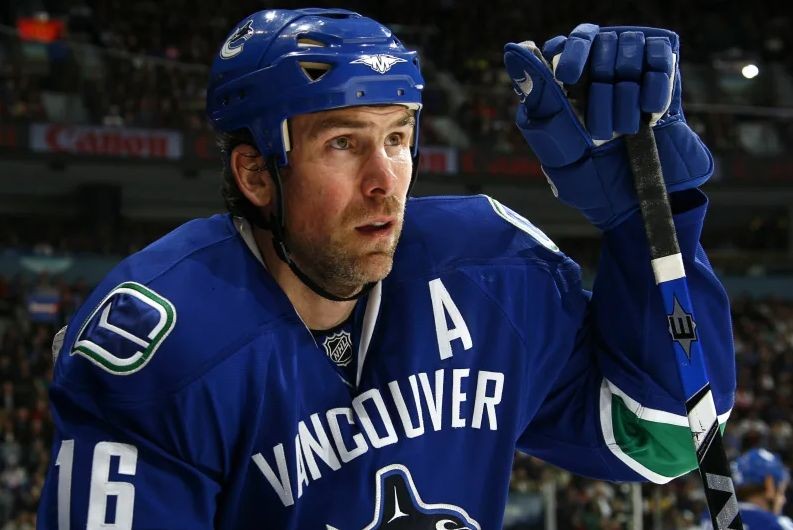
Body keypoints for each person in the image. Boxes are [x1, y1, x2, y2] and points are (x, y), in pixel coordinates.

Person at [36, 9, 735, 529]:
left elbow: (670, 438)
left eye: (396, 138)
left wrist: (649, 220)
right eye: (343, 144)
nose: (384, 182)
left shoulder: (487, 268)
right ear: (256, 174)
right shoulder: (161, 341)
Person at [701, 448, 793, 530]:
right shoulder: (776, 525)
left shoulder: (710, 517)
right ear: (769, 485)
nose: (783, 500)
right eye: (781, 492)